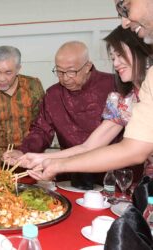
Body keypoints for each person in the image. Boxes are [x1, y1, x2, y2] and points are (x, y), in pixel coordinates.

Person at [20, 0, 153, 181]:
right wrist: (42, 158)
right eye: (112, 57)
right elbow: (89, 147)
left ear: (141, 50)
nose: (115, 64)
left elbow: (132, 150)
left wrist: (58, 165)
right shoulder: (125, 99)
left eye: (120, 55)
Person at [2, 41, 116, 188]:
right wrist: (23, 151)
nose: (65, 78)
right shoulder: (53, 94)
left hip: (113, 171)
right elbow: (41, 130)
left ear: (88, 67)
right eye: (59, 71)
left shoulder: (113, 85)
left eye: (71, 71)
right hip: (69, 170)